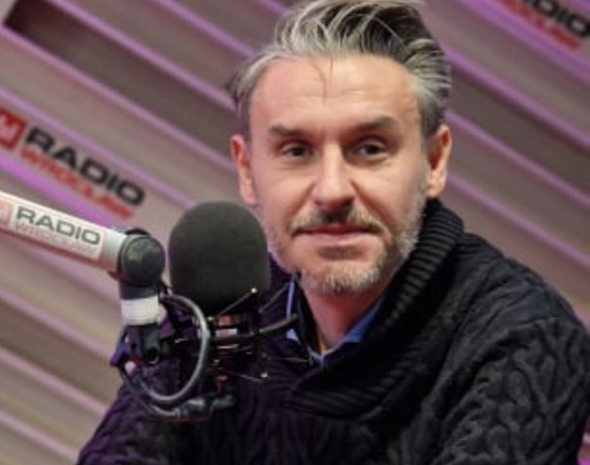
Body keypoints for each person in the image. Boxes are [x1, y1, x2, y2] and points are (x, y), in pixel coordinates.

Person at [77, 0, 590, 463]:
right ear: (247, 170)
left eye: (369, 148)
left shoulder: (524, 336)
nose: (332, 191)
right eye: (296, 151)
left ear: (434, 162)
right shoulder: (215, 315)